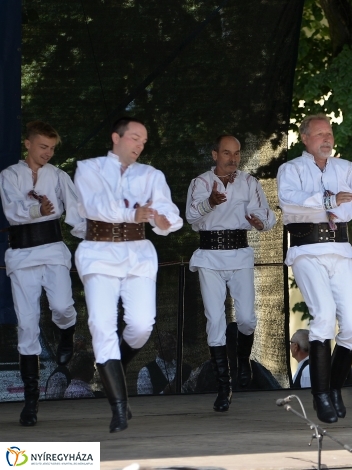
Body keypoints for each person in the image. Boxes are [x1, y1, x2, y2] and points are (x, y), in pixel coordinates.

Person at [277, 114, 352, 423]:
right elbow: (289, 201)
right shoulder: (290, 170)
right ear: (305, 138)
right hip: (306, 250)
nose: (326, 139)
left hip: (340, 250)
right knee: (324, 316)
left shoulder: (347, 169)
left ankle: (332, 389)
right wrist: (329, 198)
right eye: (319, 134)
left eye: (329, 133)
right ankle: (320, 396)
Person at [74, 117, 183, 432]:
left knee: (140, 325)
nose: (139, 144)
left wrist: (163, 221)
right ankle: (119, 409)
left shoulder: (151, 175)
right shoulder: (89, 169)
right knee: (101, 324)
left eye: (144, 141)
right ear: (116, 138)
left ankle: (113, 371)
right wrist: (130, 213)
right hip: (98, 252)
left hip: (137, 253)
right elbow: (94, 206)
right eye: (134, 137)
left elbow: (169, 214)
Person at [0, 121, 83, 426]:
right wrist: (38, 210)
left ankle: (66, 331)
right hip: (22, 256)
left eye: (52, 148)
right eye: (42, 146)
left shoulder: (59, 176)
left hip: (52, 249)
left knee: (62, 306)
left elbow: (75, 211)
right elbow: (12, 211)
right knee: (26, 324)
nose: (47, 152)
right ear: (28, 144)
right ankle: (31, 400)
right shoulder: (9, 175)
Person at [185, 135, 277, 412]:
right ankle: (225, 388)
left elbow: (267, 215)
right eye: (227, 153)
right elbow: (191, 216)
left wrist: (260, 222)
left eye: (236, 153)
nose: (233, 158)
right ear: (215, 154)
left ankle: (243, 358)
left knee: (247, 319)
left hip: (240, 254)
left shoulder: (249, 182)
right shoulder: (200, 183)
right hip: (209, 256)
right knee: (215, 320)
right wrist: (211, 202)